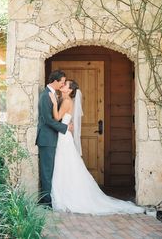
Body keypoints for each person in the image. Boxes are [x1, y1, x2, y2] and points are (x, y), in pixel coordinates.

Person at [49, 80, 145, 215]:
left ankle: (66, 196)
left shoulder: (66, 101)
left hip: (63, 137)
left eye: (66, 84)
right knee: (66, 165)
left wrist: (53, 103)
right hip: (64, 135)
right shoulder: (65, 99)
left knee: (64, 164)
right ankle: (65, 193)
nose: (63, 85)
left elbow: (57, 116)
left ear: (70, 90)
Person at [35, 70, 73, 207]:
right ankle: (46, 202)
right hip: (46, 138)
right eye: (62, 82)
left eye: (64, 83)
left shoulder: (53, 94)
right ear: (55, 81)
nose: (63, 84)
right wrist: (65, 128)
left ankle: (48, 198)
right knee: (46, 170)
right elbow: (48, 120)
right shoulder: (46, 96)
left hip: (52, 138)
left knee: (50, 169)